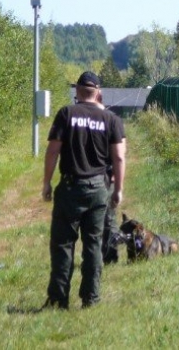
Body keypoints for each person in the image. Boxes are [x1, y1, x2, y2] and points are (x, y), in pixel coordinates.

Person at [41, 71, 126, 309]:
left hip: (70, 187)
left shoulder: (67, 114)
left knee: (63, 244)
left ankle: (58, 299)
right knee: (94, 244)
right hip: (99, 188)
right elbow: (118, 158)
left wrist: (46, 183)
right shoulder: (112, 119)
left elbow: (52, 151)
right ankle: (91, 298)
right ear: (98, 92)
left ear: (77, 91)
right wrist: (118, 189)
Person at [94, 90, 124, 265]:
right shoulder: (113, 119)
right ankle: (109, 256)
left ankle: (105, 255)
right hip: (107, 174)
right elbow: (121, 153)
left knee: (101, 219)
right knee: (108, 217)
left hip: (100, 173)